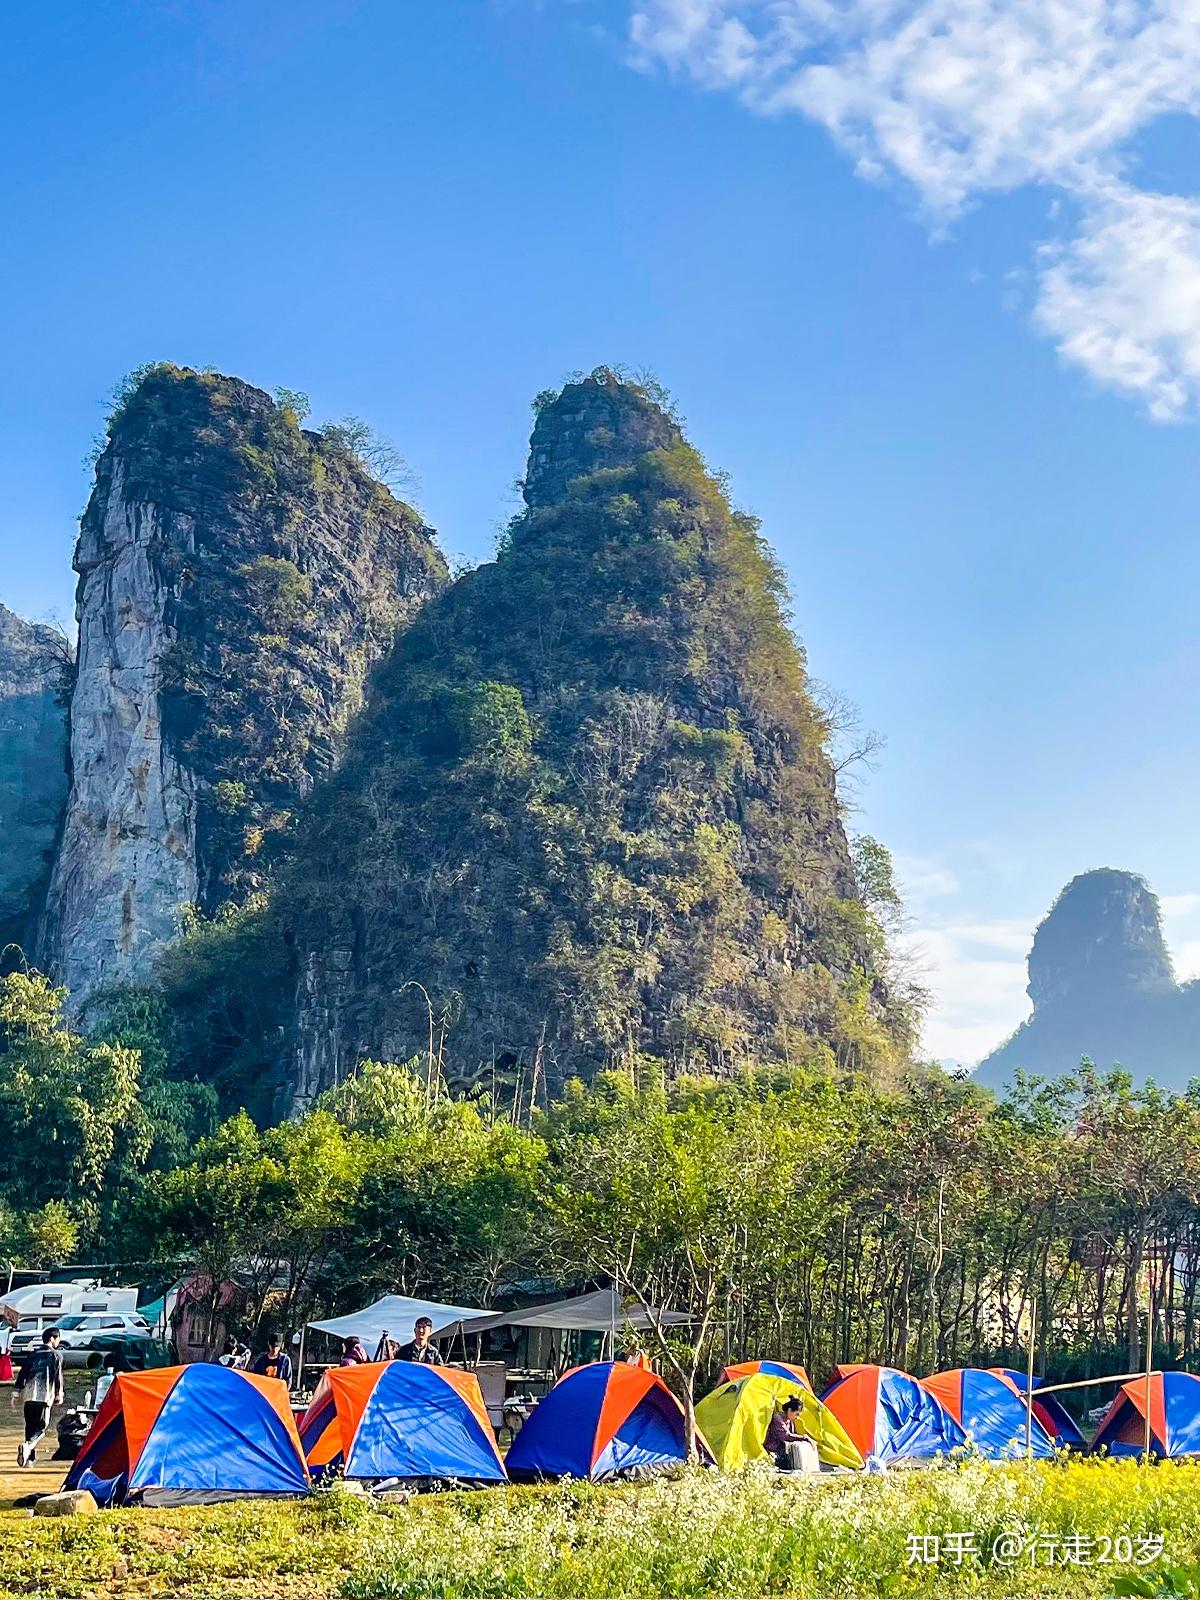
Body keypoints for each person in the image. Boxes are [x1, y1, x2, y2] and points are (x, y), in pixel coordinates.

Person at [11, 1328, 64, 1467]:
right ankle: (28, 1447)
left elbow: (22, 1374)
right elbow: (57, 1377)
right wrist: (59, 1394)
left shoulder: (33, 1354)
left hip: (29, 1396)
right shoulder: (55, 1356)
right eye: (57, 1338)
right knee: (41, 1428)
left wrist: (16, 1393)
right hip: (44, 1396)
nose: (58, 1341)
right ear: (52, 1339)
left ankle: (30, 1460)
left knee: (30, 1427)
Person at [764, 1395, 805, 1470]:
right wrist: (804, 1438)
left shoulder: (789, 1420)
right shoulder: (778, 1419)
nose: (797, 1417)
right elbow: (786, 1436)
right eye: (797, 1414)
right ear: (789, 1410)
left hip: (780, 1452)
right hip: (771, 1451)